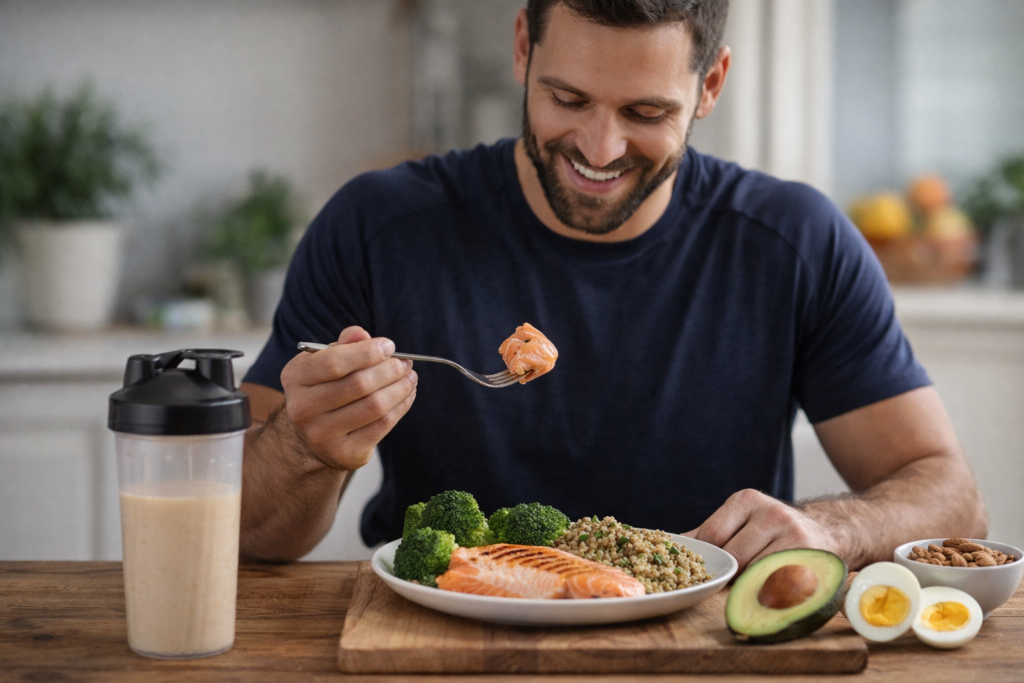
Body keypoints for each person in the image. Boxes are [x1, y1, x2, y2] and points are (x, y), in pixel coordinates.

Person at [239, 0, 987, 570]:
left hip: (705, 642)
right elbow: (246, 530)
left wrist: (834, 528)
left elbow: (951, 495)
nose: (600, 149)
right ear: (523, 47)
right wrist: (305, 446)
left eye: (646, 111)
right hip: (435, 635)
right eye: (568, 99)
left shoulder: (795, 240)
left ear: (711, 85)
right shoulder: (377, 226)